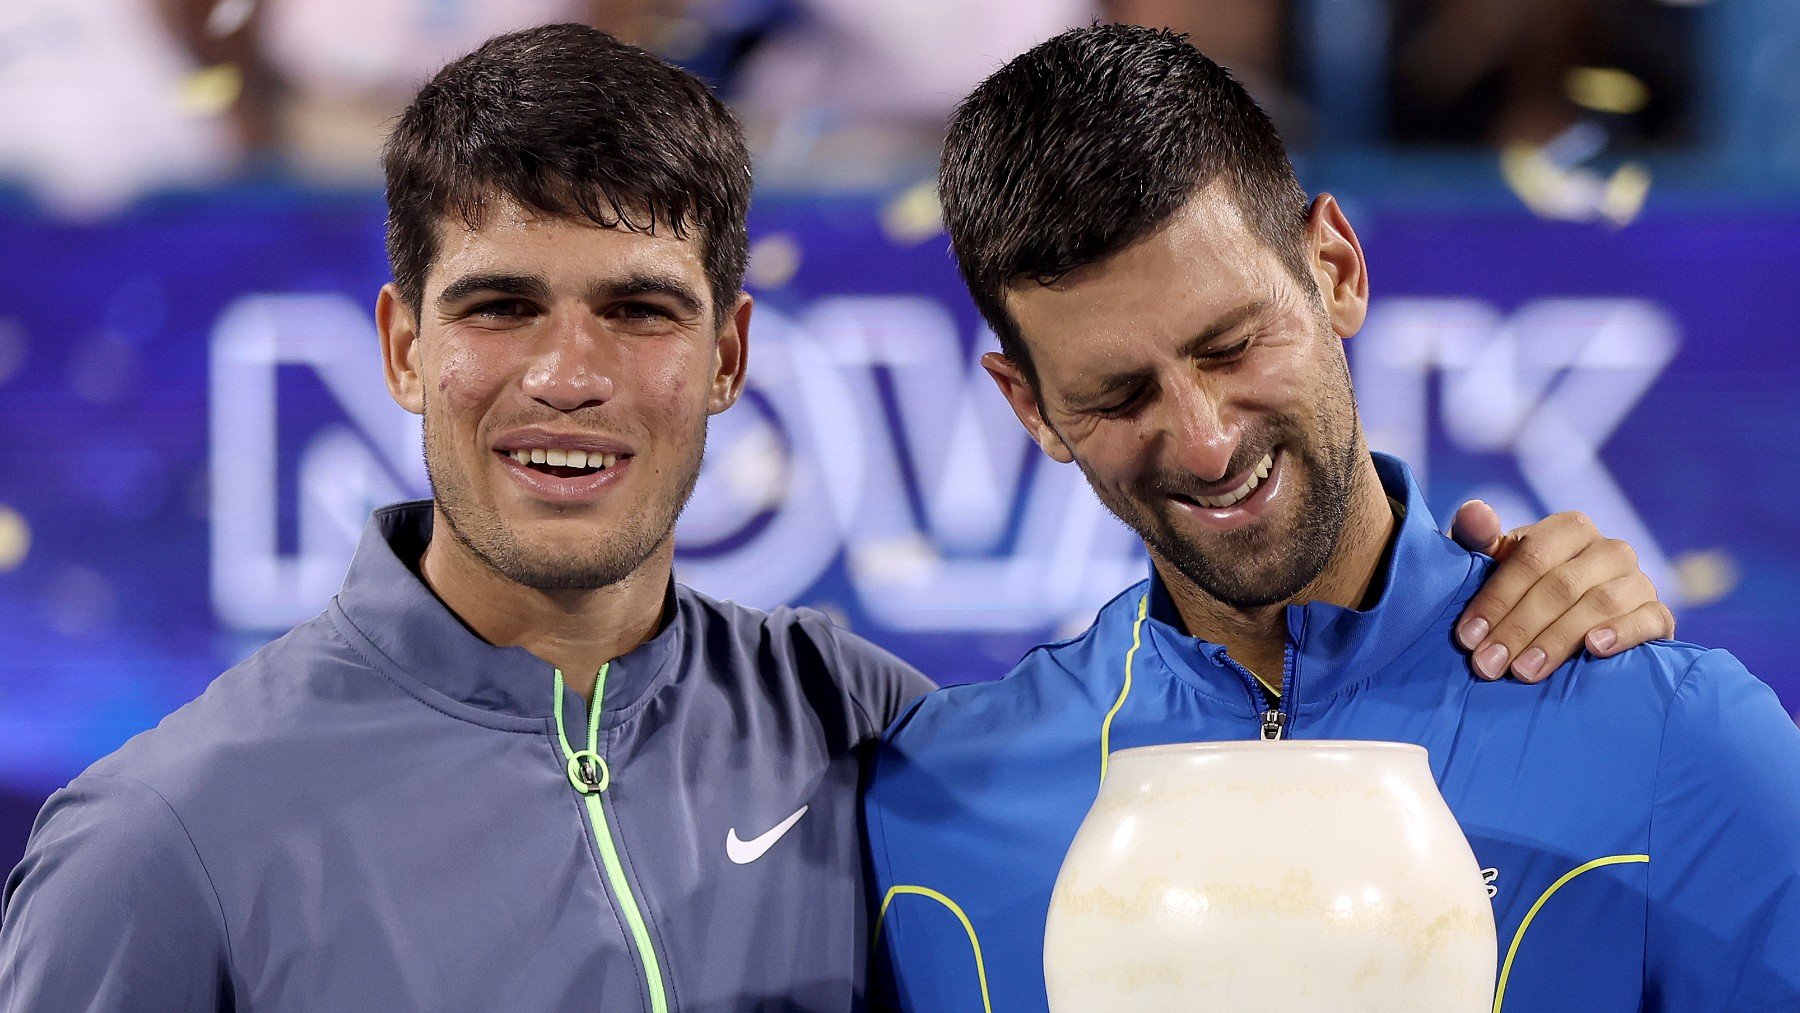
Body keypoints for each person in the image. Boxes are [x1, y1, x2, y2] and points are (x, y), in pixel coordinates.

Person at [0, 22, 1668, 1013]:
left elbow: (1221, 713)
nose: (567, 376)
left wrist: (1506, 598)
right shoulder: (167, 837)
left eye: (642, 310)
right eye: (501, 304)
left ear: (728, 352)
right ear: (399, 344)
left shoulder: (865, 735)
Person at [865, 24, 1800, 1013]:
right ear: (1030, 405)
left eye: (1230, 345)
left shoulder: (1675, 741)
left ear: (1337, 267)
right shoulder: (930, 803)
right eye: (1119, 393)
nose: (1206, 440)